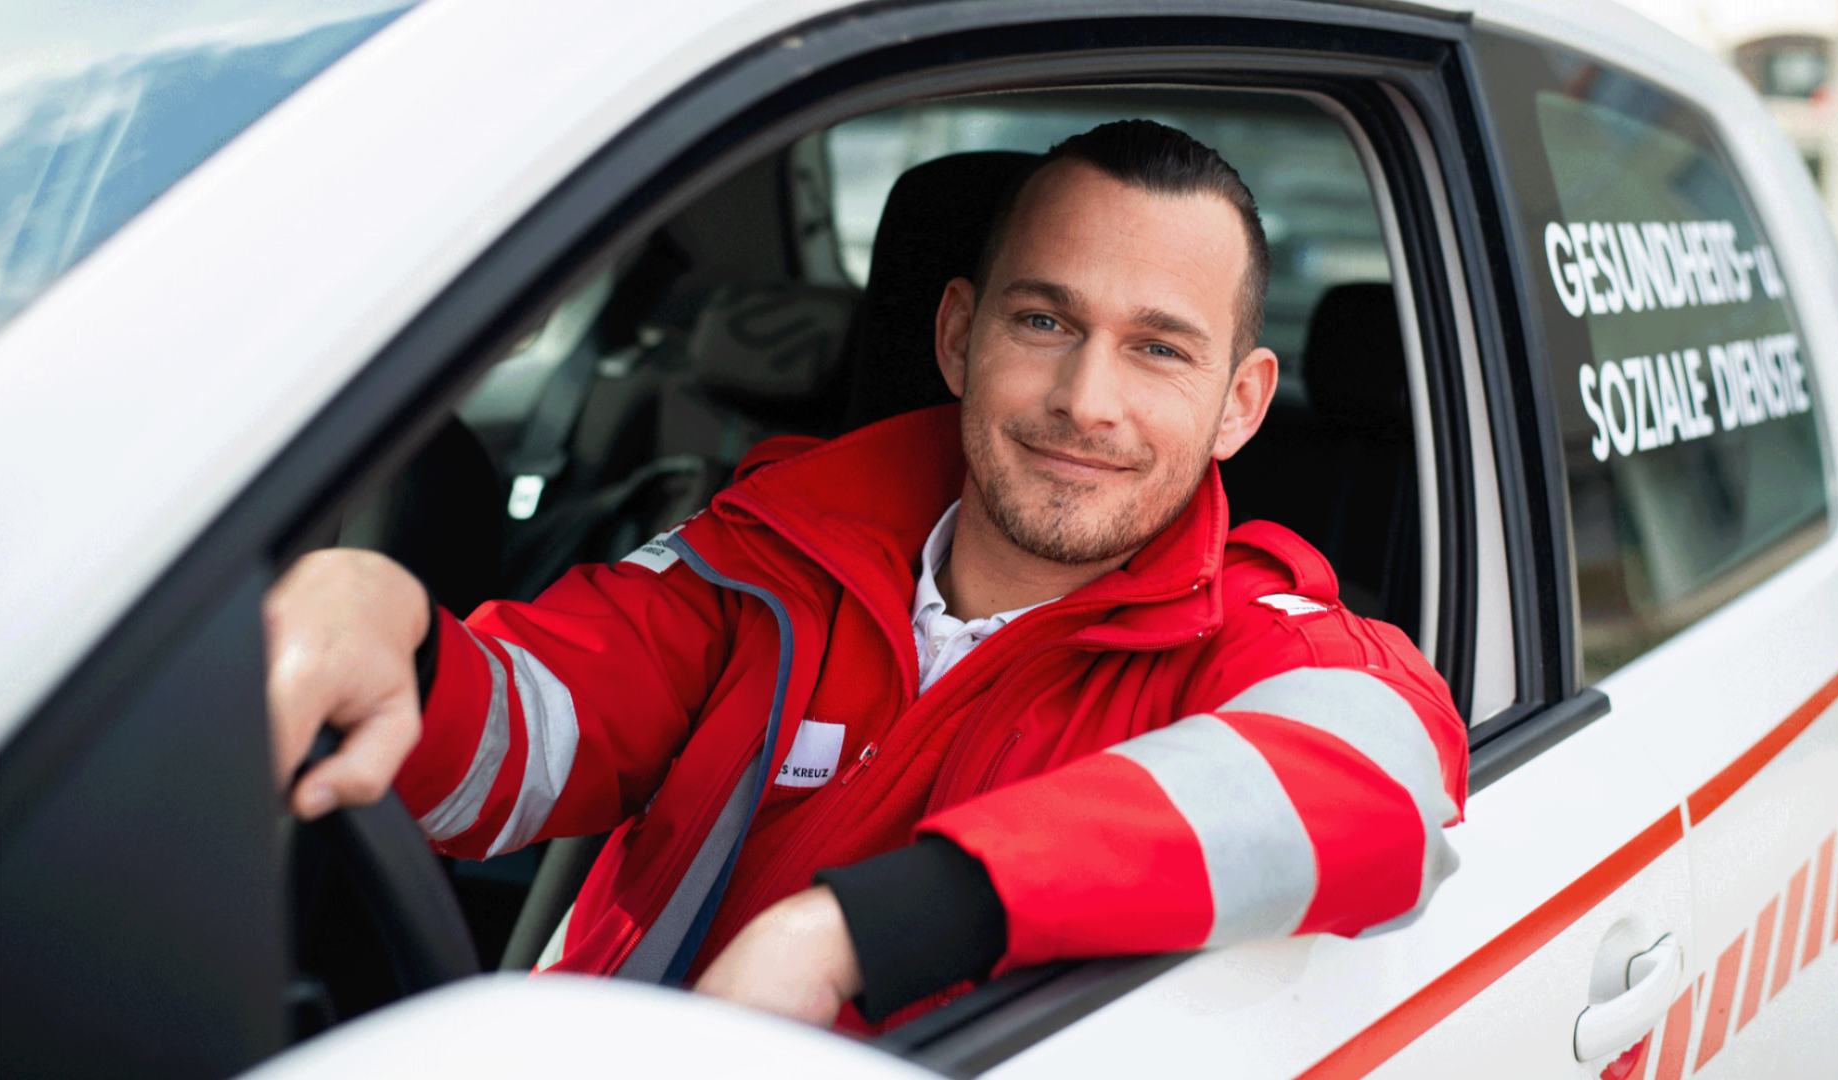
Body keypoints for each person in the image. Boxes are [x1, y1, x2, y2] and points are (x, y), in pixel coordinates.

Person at [264, 120, 1468, 1031]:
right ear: (959, 334)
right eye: (1044, 323)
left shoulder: (1257, 636)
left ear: (1239, 406)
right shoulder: (772, 551)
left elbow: (1382, 783)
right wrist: (398, 638)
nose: (1083, 402)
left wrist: (863, 925)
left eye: (1158, 350)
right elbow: (529, 731)